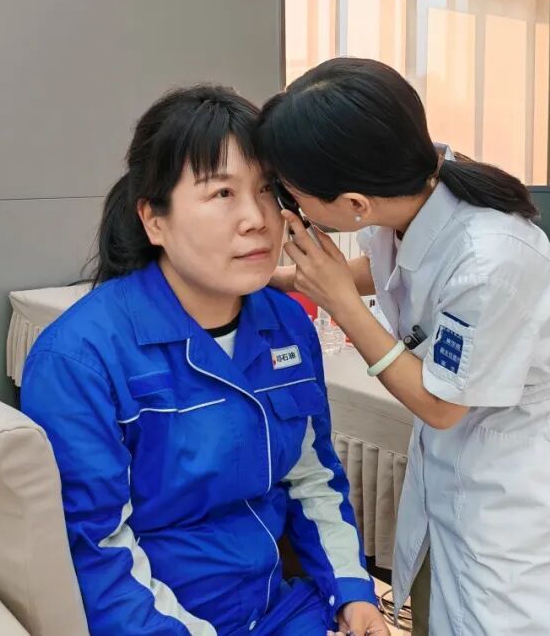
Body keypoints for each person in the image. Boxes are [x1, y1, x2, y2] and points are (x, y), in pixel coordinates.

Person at [21, 85, 387, 636]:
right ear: (154, 220)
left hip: (279, 611)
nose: (256, 218)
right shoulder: (81, 358)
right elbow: (97, 551)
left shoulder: (285, 323)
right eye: (222, 193)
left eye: (267, 189)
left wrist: (354, 595)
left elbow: (312, 477)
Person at [258, 58, 550, 635]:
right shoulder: (410, 189)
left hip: (511, 490)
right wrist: (288, 279)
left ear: (355, 204)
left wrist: (340, 301)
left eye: (295, 195)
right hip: (457, 460)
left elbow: (441, 405)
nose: (290, 208)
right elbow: (393, 267)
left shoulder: (490, 260)